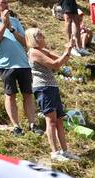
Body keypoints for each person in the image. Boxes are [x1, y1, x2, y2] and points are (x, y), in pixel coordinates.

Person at [26, 27, 76, 163]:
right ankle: (54, 152)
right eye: (40, 35)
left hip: (51, 87)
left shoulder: (42, 51)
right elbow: (56, 65)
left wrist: (69, 49)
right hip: (43, 88)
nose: (44, 36)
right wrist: (67, 51)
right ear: (34, 38)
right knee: (51, 121)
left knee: (59, 119)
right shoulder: (34, 52)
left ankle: (65, 151)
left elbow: (61, 59)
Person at [0, 0, 33, 135]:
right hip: (6, 64)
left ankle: (32, 124)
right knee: (10, 94)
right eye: (3, 2)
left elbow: (26, 42)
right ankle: (16, 126)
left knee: (28, 94)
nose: (7, 5)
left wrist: (11, 27)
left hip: (23, 63)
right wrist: (3, 25)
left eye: (7, 3)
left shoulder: (15, 21)